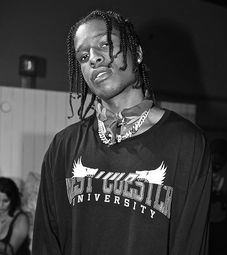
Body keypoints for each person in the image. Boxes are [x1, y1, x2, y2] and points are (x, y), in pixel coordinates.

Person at [32, 10, 212, 255]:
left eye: (104, 44)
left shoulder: (186, 143)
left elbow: (191, 244)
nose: (93, 58)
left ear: (136, 52)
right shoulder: (64, 146)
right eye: (83, 57)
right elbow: (46, 242)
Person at [0, 177, 30, 255]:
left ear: (13, 200)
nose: (0, 205)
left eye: (5, 201)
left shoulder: (21, 219)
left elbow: (10, 251)